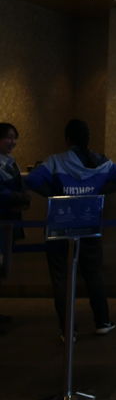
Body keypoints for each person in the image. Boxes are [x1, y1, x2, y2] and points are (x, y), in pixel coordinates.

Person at [26, 119, 116, 336]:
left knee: (61, 278)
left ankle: (68, 329)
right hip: (89, 224)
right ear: (88, 139)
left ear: (67, 139)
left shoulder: (55, 161)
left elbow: (32, 180)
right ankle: (102, 322)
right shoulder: (102, 162)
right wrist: (101, 192)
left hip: (59, 226)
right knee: (94, 274)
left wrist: (56, 197)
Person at [0, 122, 30, 330]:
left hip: (8, 221)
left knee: (2, 268)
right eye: (8, 137)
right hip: (1, 219)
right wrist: (19, 197)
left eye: (14, 137)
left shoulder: (10, 162)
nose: (13, 142)